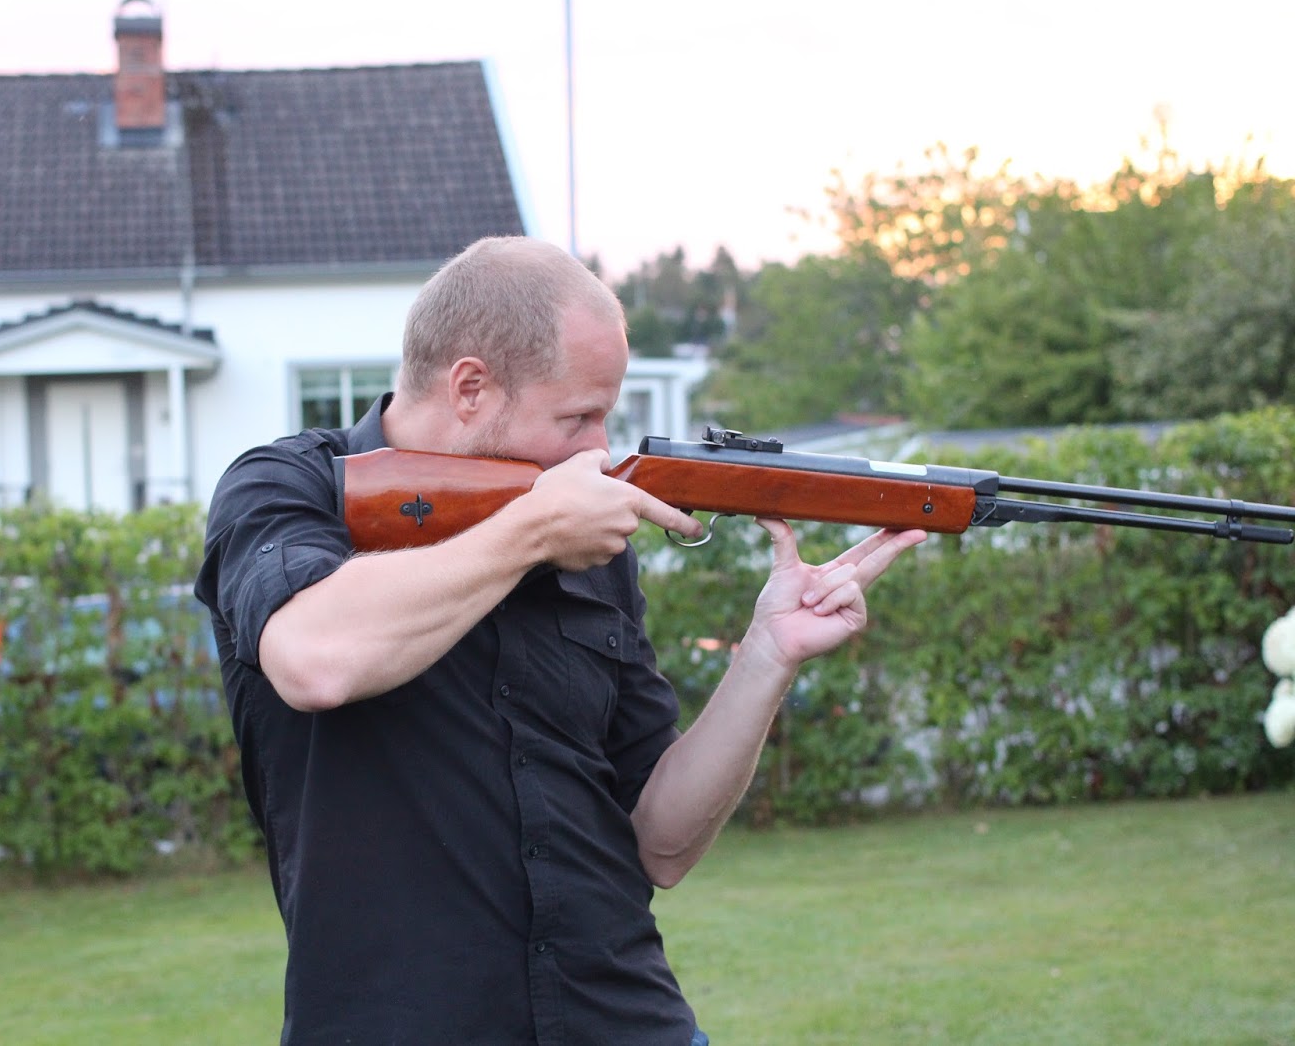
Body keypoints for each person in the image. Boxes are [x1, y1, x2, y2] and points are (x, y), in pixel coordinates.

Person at [195, 236, 925, 1045]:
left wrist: (768, 653)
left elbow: (663, 846)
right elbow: (314, 660)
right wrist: (533, 531)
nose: (598, 450)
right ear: (470, 387)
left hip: (624, 1018)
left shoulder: (588, 540)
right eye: (577, 417)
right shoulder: (293, 488)